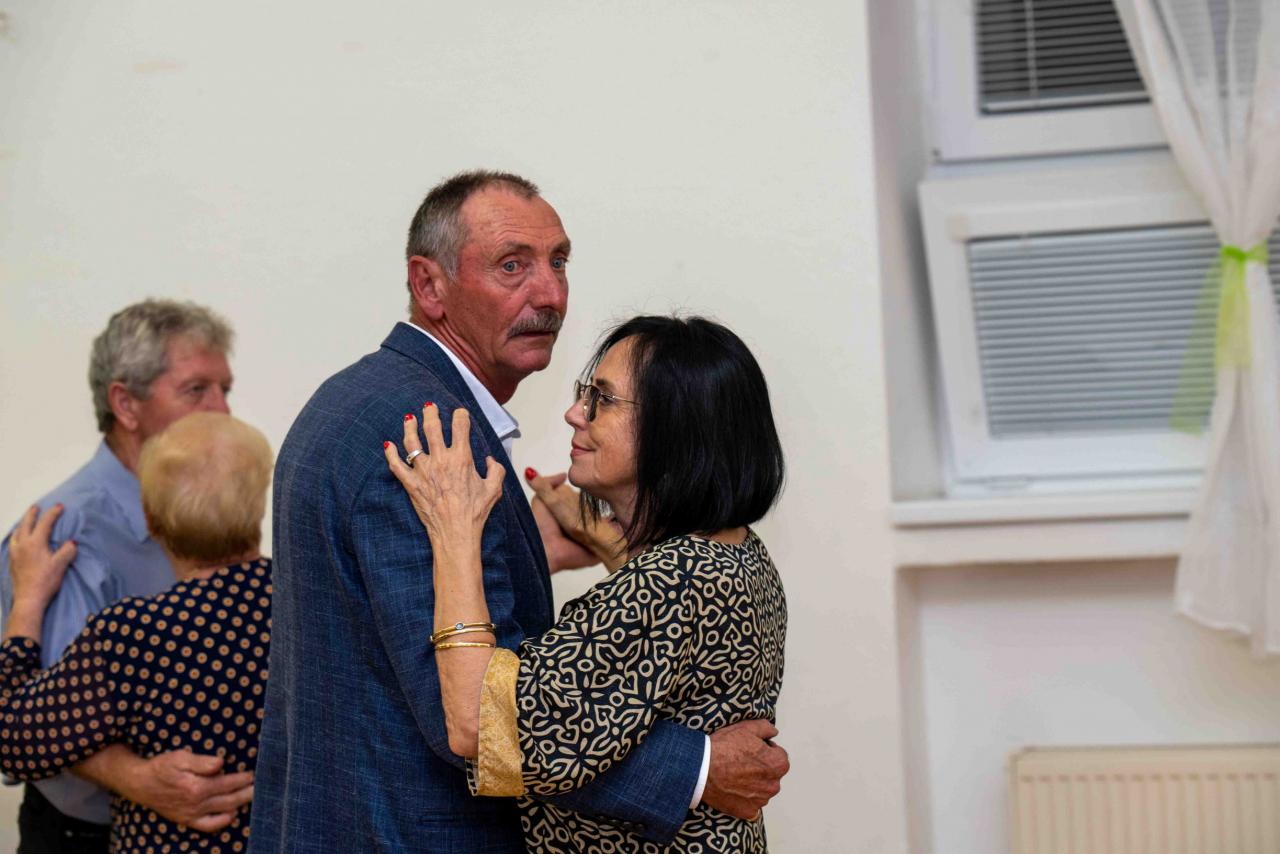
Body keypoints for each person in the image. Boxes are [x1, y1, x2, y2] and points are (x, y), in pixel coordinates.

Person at [252, 171, 789, 852]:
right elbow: (480, 721)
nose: (551, 294)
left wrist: (529, 547)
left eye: (558, 262)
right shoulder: (424, 436)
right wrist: (699, 766)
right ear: (429, 285)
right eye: (513, 266)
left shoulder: (373, 398)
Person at [386, 315, 787, 852]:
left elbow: (482, 729)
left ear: (674, 429)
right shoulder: (734, 552)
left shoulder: (672, 581)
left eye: (603, 399)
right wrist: (603, 544)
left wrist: (455, 526)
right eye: (585, 393)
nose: (575, 413)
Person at [0, 300, 254, 853]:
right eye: (197, 390)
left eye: (225, 389)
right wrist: (139, 779)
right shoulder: (65, 534)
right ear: (125, 404)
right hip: (84, 837)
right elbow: (42, 725)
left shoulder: (211, 510)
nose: (221, 411)